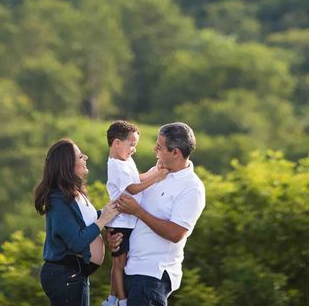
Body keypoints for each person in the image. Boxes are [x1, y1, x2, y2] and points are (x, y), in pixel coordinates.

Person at [115, 123, 206, 306]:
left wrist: (138, 212)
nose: (154, 150)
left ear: (176, 153)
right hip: (132, 269)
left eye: (159, 147)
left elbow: (175, 234)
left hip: (152, 275)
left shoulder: (191, 188)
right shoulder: (157, 171)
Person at [35, 138, 121, 306]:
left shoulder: (75, 193)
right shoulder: (58, 200)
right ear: (68, 164)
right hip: (65, 275)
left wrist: (108, 211)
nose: (86, 158)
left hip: (75, 274)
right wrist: (103, 219)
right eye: (81, 156)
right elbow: (76, 241)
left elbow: (86, 223)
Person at [101, 120, 169, 306]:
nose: (134, 149)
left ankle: (113, 297)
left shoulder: (126, 161)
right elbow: (133, 188)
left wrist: (155, 170)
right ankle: (120, 300)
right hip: (120, 222)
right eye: (131, 145)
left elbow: (137, 178)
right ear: (117, 143)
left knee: (123, 262)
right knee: (119, 263)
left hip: (130, 222)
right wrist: (156, 178)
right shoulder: (115, 165)